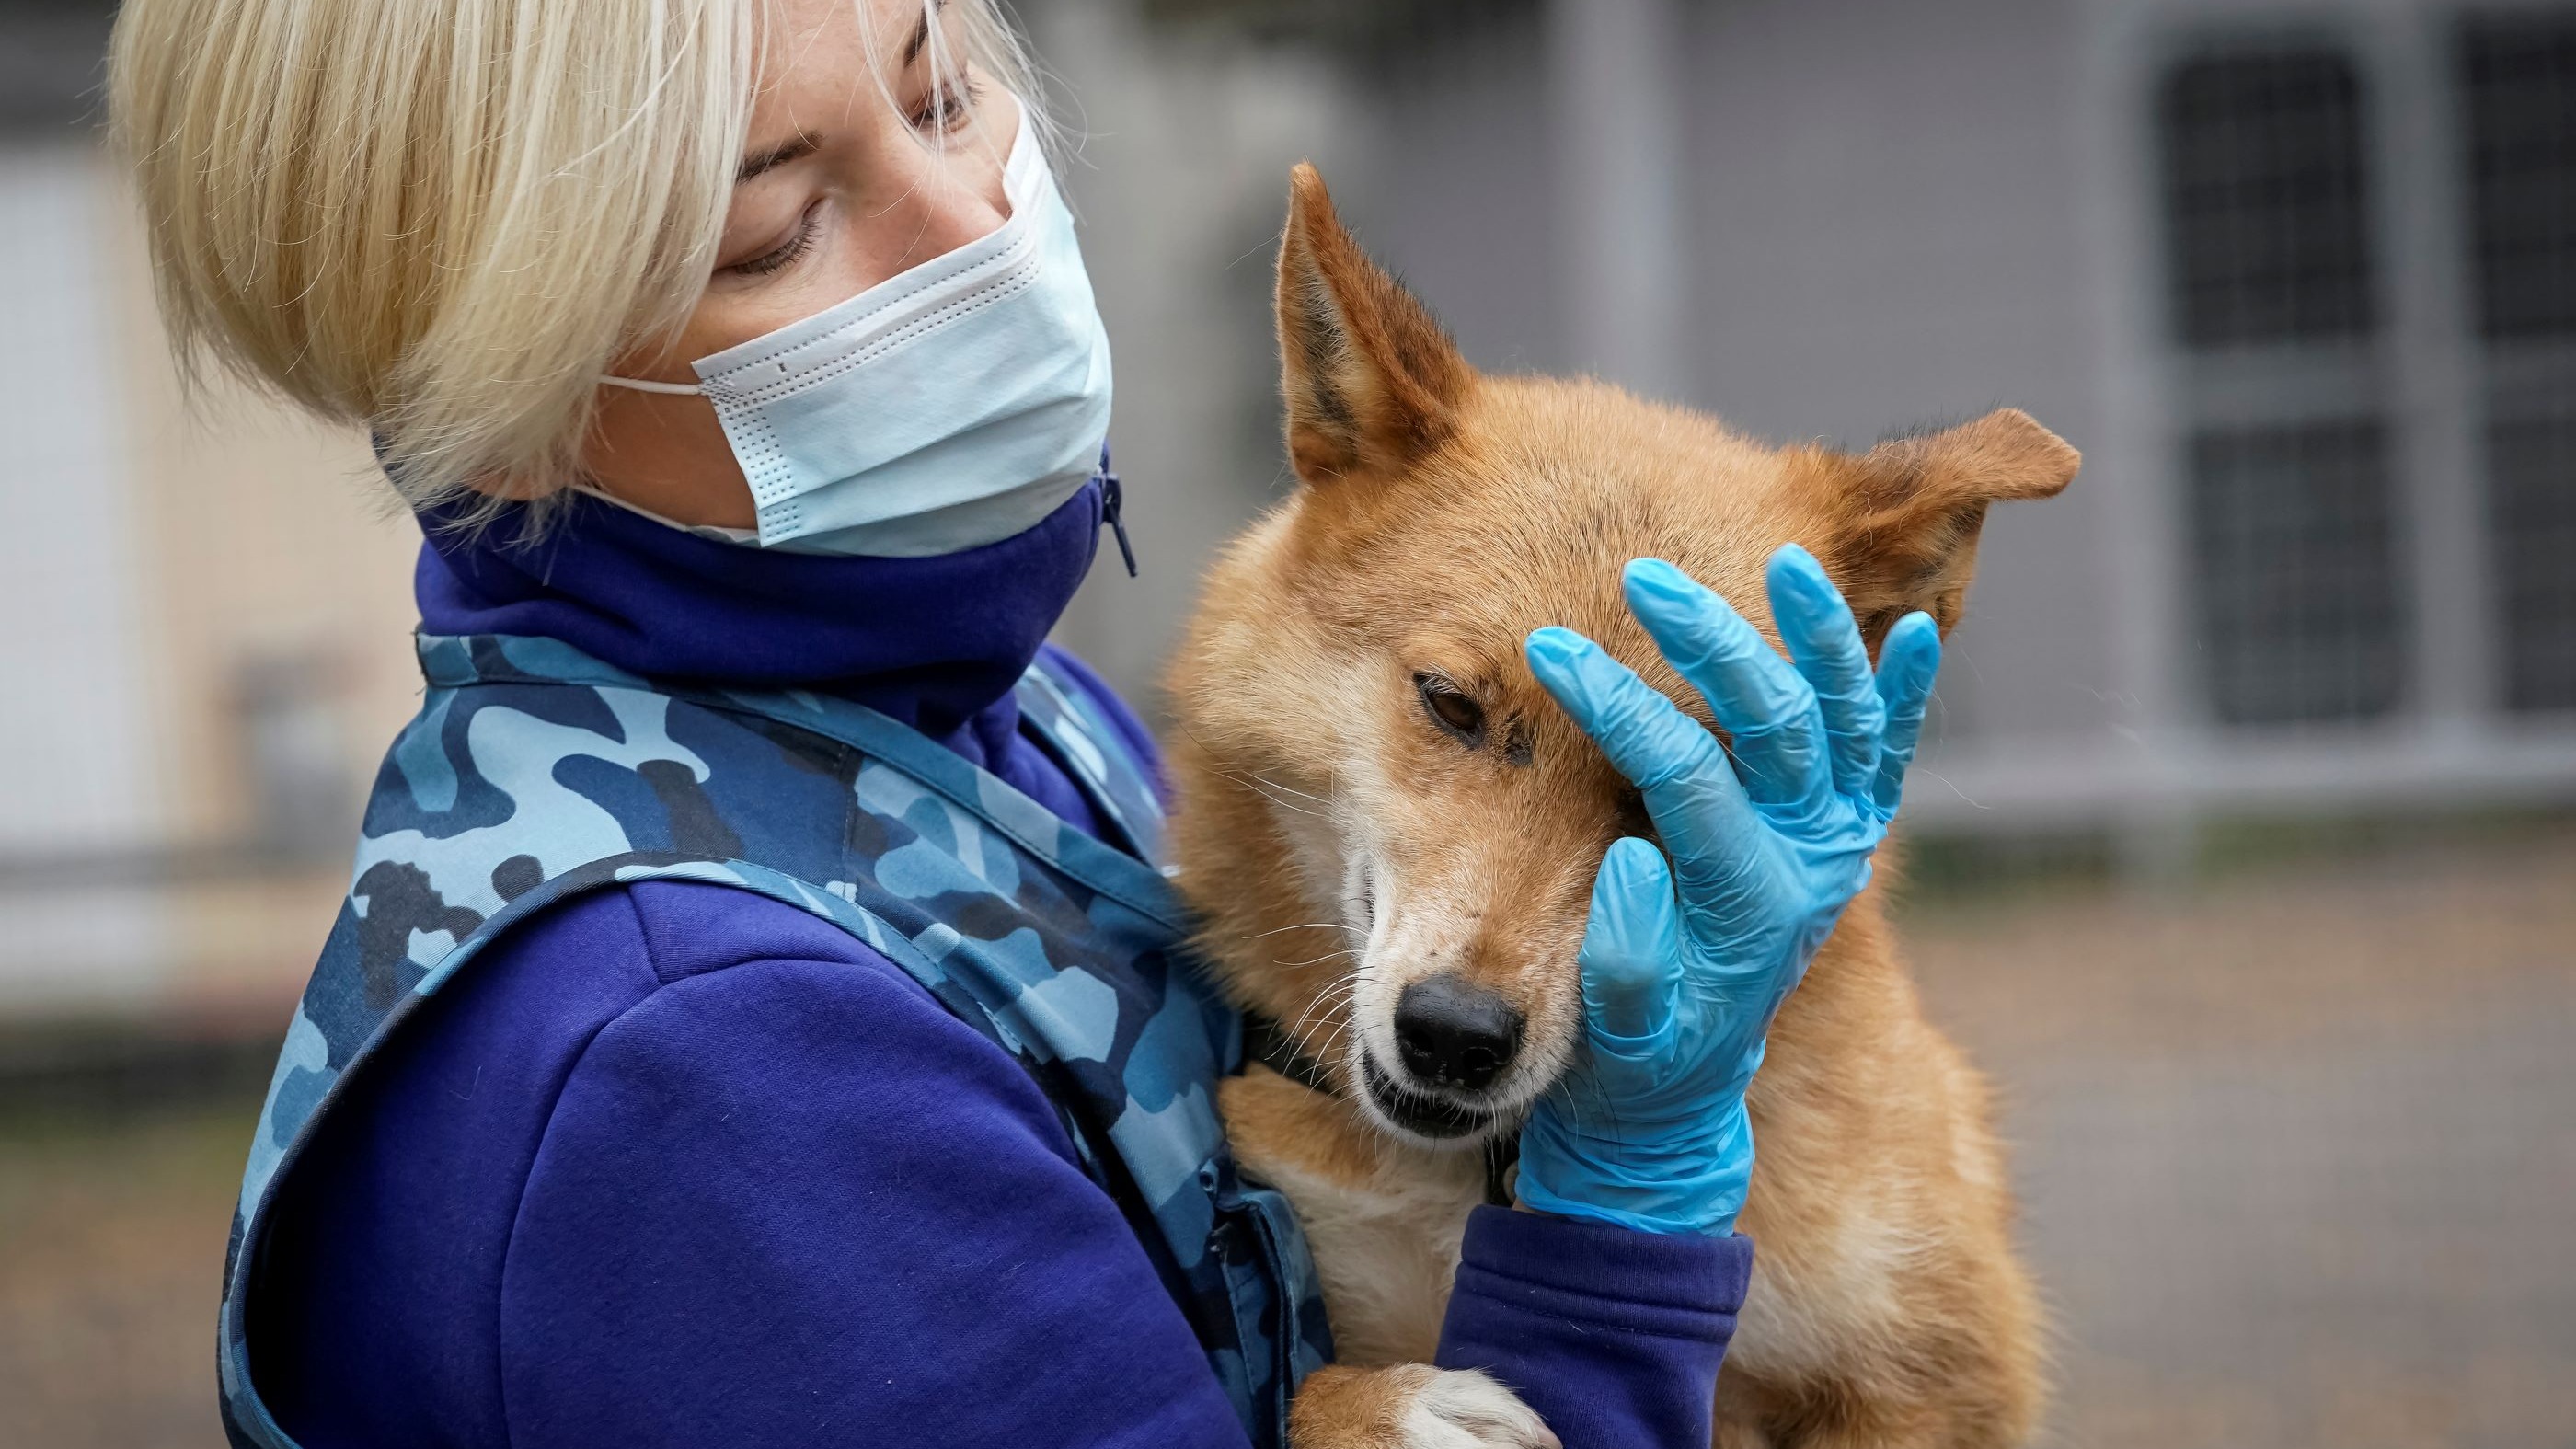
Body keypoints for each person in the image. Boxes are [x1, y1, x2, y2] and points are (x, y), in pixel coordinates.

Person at [107, 1, 1943, 1445]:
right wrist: (1615, 1247)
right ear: (493, 401)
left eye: (935, 87)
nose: (961, 227)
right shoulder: (706, 1064)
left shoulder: (969, 723)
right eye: (776, 223)